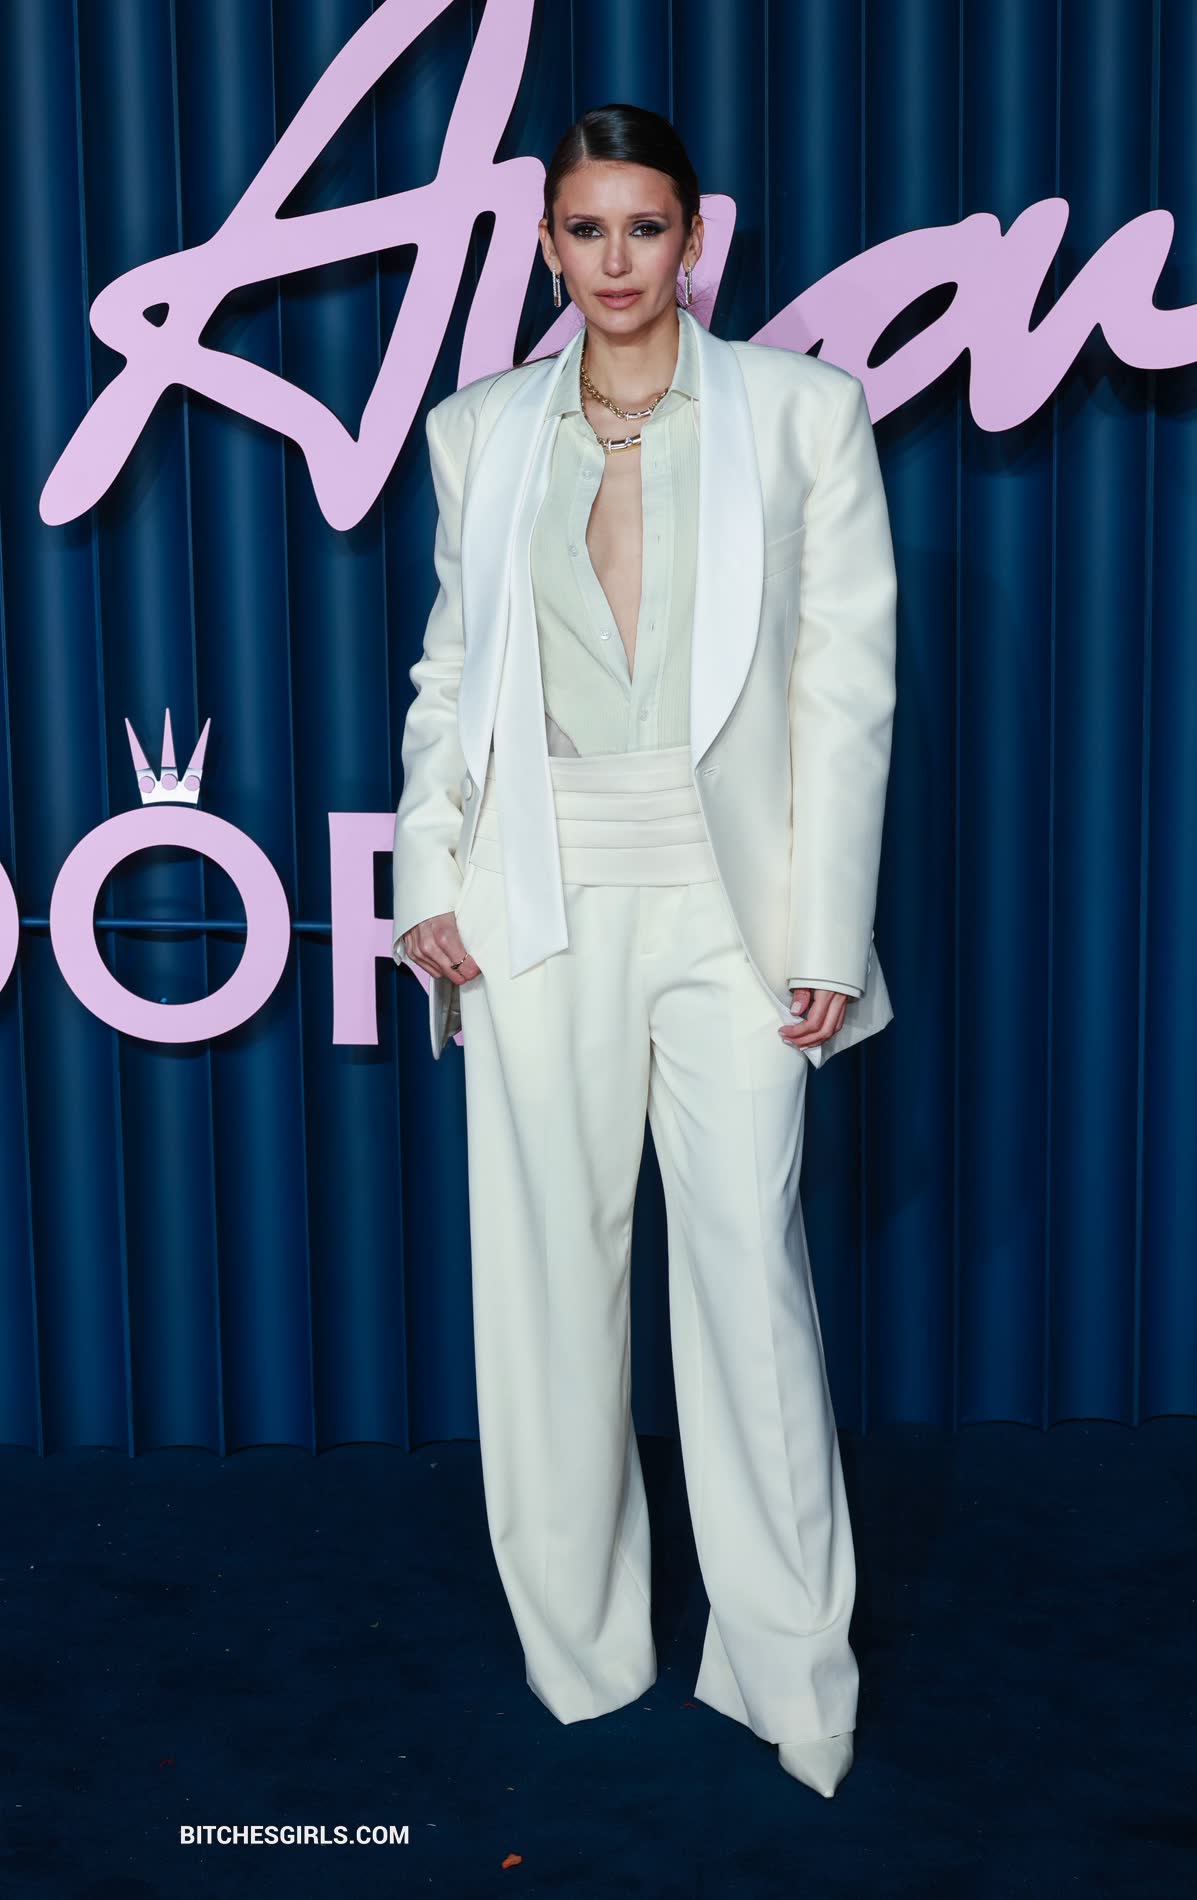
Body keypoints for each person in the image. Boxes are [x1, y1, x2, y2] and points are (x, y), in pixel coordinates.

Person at [393, 103, 897, 1801]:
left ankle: (789, 1670)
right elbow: (452, 675)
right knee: (546, 1279)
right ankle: (583, 1655)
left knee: (746, 1277)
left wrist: (824, 929)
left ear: (693, 239)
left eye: (645, 227)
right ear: (546, 243)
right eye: (586, 229)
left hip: (731, 907)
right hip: (534, 899)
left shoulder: (803, 415)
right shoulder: (476, 432)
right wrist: (427, 873)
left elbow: (843, 692)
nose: (616, 260)